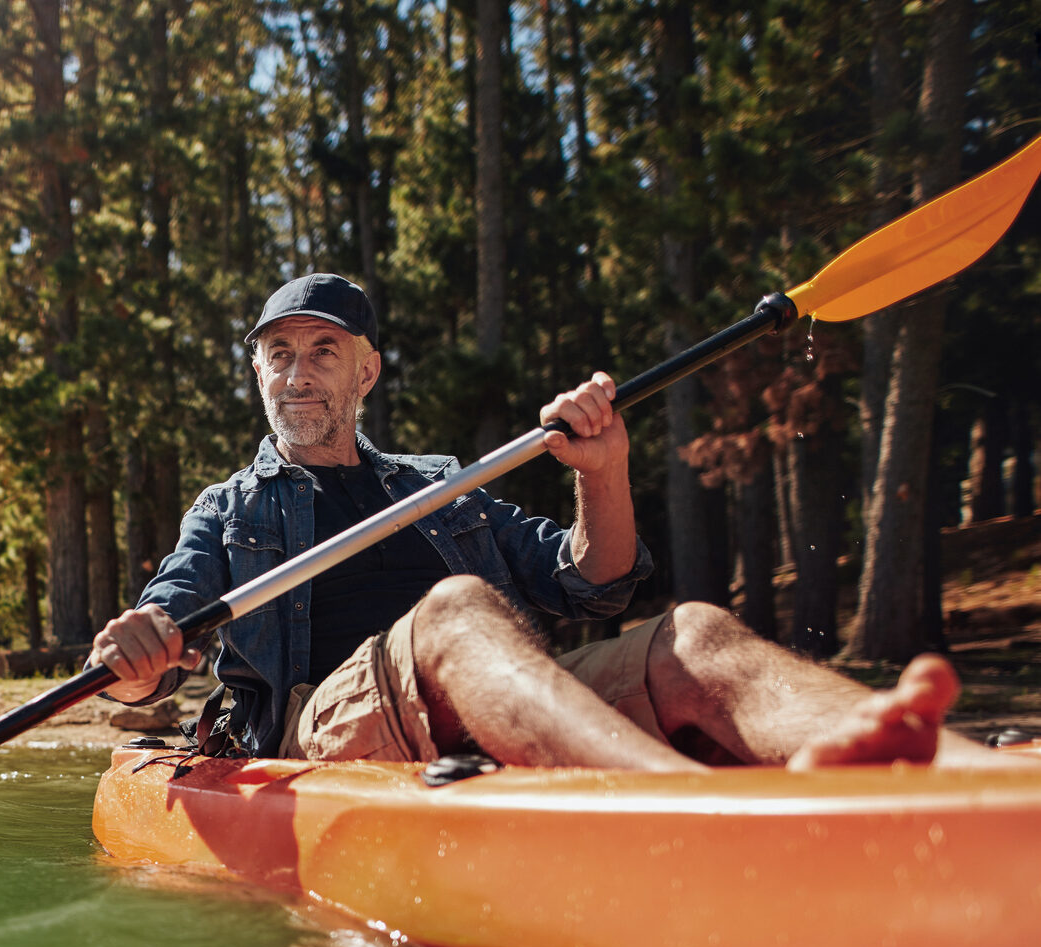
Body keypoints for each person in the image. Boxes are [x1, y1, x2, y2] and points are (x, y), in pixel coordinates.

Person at [91, 272, 1001, 772]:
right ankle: (682, 811)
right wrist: (133, 660)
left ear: (364, 372)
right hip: (325, 727)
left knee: (694, 633)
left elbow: (594, 581)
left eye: (322, 351)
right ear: (257, 374)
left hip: (477, 705)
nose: (296, 373)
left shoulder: (440, 487)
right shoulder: (228, 510)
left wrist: (603, 472)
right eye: (278, 355)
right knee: (454, 612)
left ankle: (971, 777)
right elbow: (150, 656)